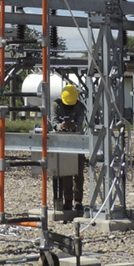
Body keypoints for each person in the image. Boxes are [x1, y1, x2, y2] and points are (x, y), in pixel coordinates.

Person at [52, 83, 86, 213]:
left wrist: (74, 126)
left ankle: (78, 201)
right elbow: (53, 122)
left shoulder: (80, 107)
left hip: (77, 142)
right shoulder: (56, 105)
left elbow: (79, 124)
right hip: (62, 143)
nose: (69, 107)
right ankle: (67, 201)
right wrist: (61, 126)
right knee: (66, 172)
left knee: (78, 173)